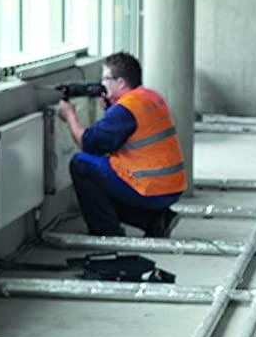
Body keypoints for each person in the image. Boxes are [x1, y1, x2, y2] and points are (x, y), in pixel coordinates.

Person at [57, 51, 185, 237]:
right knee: (104, 175)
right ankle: (155, 220)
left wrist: (70, 116)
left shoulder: (126, 110)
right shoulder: (150, 97)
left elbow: (89, 143)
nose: (102, 84)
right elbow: (125, 136)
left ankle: (106, 233)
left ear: (121, 83)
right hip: (171, 185)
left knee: (82, 164)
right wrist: (110, 109)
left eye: (106, 79)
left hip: (150, 188)